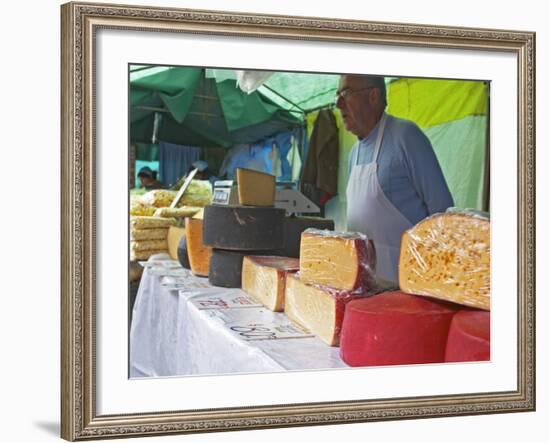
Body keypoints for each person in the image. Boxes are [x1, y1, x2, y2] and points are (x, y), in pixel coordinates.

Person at [335, 74, 454, 284]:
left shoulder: (406, 136)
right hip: (364, 286)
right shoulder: (353, 153)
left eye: (347, 93)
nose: (338, 103)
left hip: (406, 287)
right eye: (337, 95)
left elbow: (442, 215)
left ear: (373, 96)